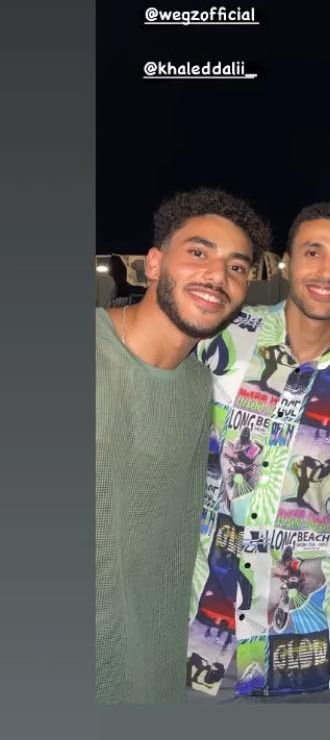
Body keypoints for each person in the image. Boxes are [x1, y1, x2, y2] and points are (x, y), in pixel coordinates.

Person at [186, 201, 330, 704]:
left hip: (306, 648)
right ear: (286, 262)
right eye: (313, 252)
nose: (326, 272)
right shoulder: (223, 339)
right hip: (204, 635)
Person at [96, 187, 270, 703]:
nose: (217, 276)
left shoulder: (200, 388)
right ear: (153, 264)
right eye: (198, 252)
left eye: (236, 267)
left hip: (153, 678)